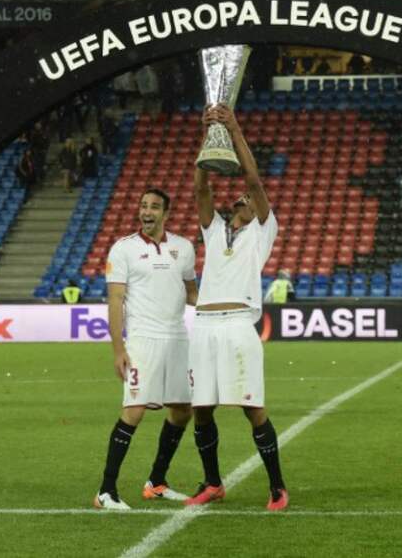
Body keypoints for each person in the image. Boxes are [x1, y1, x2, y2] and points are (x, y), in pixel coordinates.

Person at [186, 104, 288, 511]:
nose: (243, 198)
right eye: (240, 199)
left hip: (238, 325)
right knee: (201, 410)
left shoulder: (263, 232)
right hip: (205, 324)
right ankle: (213, 483)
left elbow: (255, 180)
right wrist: (208, 137)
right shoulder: (214, 232)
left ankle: (277, 486)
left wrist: (235, 129)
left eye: (247, 198)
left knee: (252, 408)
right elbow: (200, 190)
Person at [94, 188, 199, 511]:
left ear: (166, 213)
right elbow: (115, 300)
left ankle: (156, 482)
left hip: (177, 338)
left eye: (154, 206)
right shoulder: (123, 249)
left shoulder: (183, 248)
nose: (147, 211)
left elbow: (192, 293)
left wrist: (225, 308)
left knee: (182, 410)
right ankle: (106, 491)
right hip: (142, 339)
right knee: (134, 411)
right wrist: (118, 348)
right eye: (143, 205)